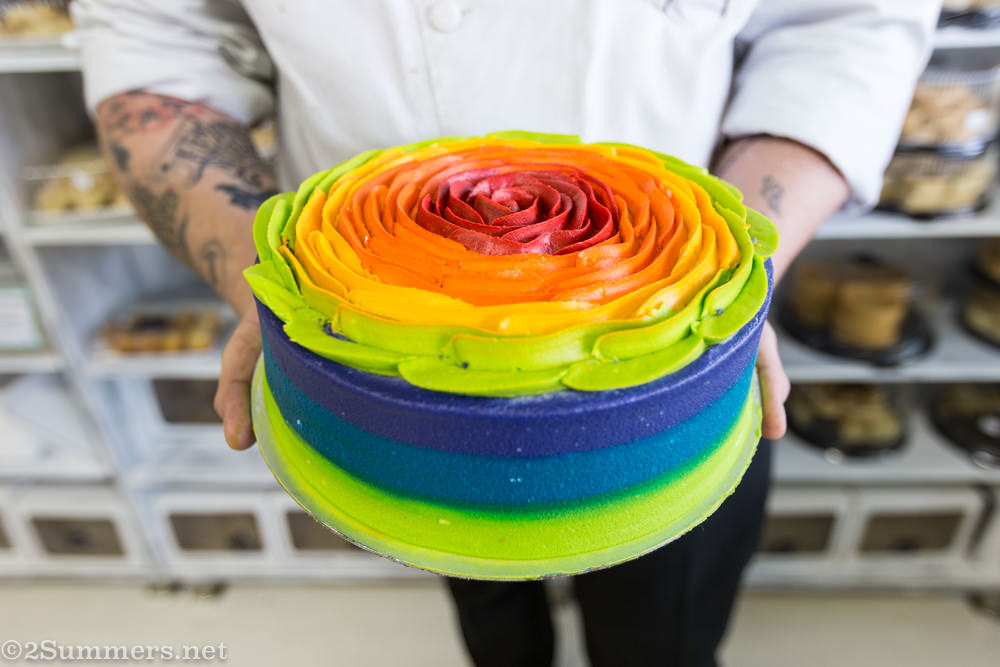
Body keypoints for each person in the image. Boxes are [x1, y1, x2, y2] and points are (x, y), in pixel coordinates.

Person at [72, 1, 940, 664]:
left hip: (677, 364)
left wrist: (721, 279)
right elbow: (156, 43)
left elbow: (847, 24)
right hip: (387, 365)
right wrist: (273, 287)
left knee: (663, 631)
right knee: (481, 602)